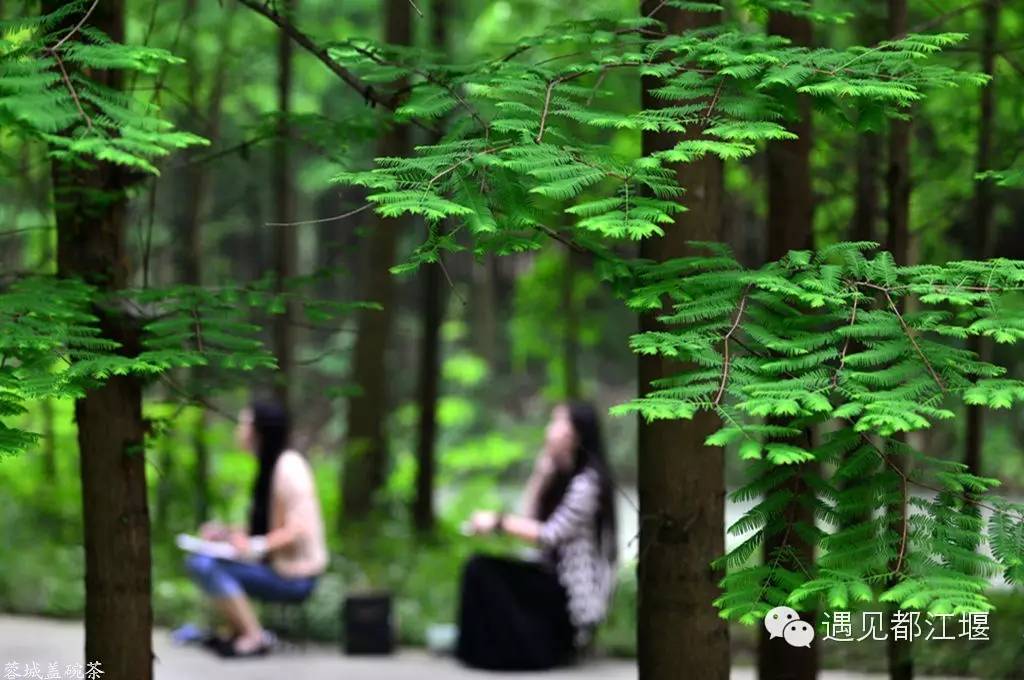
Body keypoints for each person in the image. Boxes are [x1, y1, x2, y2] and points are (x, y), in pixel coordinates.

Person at [456, 401, 618, 671]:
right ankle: (477, 653)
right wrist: (541, 476)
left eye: (557, 422)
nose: (549, 429)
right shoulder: (560, 475)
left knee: (483, 572)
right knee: (478, 568)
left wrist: (497, 521)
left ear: (575, 433)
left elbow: (549, 535)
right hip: (547, 576)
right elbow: (530, 520)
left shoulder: (588, 483)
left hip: (568, 596)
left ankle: (538, 650)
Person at [183, 400, 328, 657]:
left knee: (205, 565)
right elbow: (264, 527)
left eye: (244, 423)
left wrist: (253, 545)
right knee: (200, 559)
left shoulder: (290, 467)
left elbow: (299, 529)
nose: (239, 430)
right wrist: (226, 534)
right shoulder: (268, 467)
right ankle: (240, 632)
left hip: (295, 577)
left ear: (259, 430)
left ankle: (253, 636)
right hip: (273, 568)